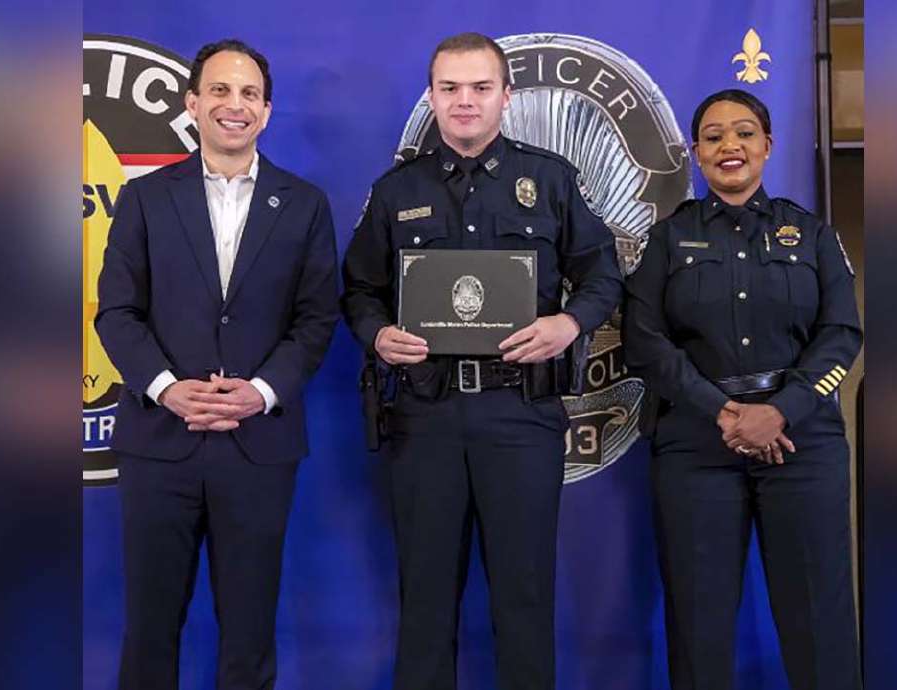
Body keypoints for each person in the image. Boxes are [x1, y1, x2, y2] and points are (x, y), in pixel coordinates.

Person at [341, 32, 622, 690]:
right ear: (432, 97)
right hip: (425, 414)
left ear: (506, 96)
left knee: (524, 599)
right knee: (425, 601)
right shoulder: (396, 191)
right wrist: (378, 335)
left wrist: (567, 323)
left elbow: (603, 275)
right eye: (450, 88)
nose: (464, 100)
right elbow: (358, 290)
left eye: (480, 87)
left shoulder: (550, 181)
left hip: (520, 412)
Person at [94, 38, 338, 690]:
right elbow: (116, 313)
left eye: (250, 94)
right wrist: (166, 388)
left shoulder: (305, 204)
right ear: (193, 104)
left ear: (267, 110)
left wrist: (262, 391)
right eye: (221, 91)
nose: (236, 105)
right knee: (150, 631)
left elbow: (317, 320)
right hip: (159, 443)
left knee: (249, 634)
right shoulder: (145, 199)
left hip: (258, 447)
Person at [623, 89, 863, 690]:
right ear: (696, 153)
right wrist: (722, 410)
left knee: (819, 618)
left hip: (801, 444)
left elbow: (841, 335)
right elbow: (644, 343)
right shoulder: (667, 240)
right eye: (713, 137)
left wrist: (780, 411)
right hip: (697, 445)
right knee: (698, 622)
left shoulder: (812, 235)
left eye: (745, 133)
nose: (730, 145)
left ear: (768, 145)